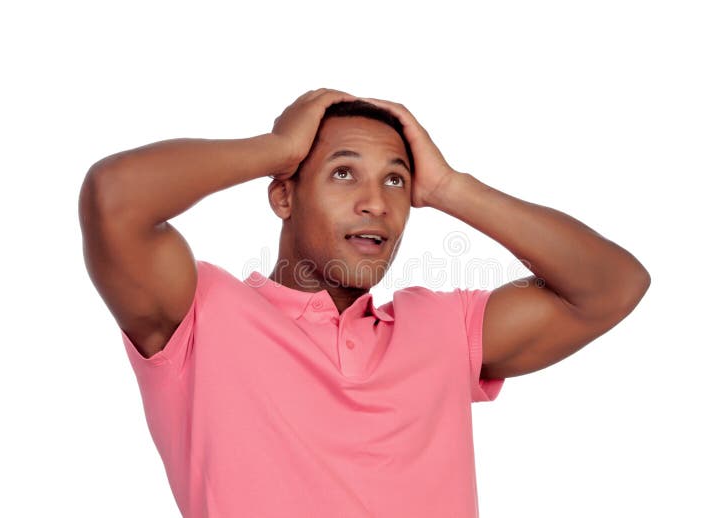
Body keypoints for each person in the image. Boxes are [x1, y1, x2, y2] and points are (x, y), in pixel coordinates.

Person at [78, 88, 650, 517]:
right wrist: (276, 148)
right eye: (344, 172)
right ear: (283, 194)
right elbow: (113, 198)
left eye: (396, 181)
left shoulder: (444, 326)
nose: (375, 201)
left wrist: (450, 187)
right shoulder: (200, 314)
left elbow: (612, 286)